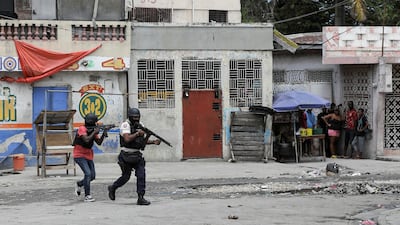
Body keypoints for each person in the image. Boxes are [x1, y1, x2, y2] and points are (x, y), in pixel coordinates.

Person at [108, 107, 161, 205]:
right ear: (130, 117)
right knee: (125, 177)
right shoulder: (125, 125)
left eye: (138, 117)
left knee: (141, 175)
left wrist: (153, 141)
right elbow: (127, 139)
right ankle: (113, 187)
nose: (136, 119)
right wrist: (137, 133)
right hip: (126, 155)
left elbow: (141, 142)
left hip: (137, 155)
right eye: (134, 117)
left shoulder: (141, 126)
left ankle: (141, 197)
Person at [73, 113, 107, 202]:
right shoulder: (82, 129)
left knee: (92, 176)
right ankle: (87, 196)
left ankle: (79, 184)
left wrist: (104, 133)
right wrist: (95, 131)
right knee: (87, 174)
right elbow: (86, 139)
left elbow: (99, 142)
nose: (96, 123)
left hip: (88, 155)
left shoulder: (93, 130)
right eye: (95, 122)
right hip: (79, 154)